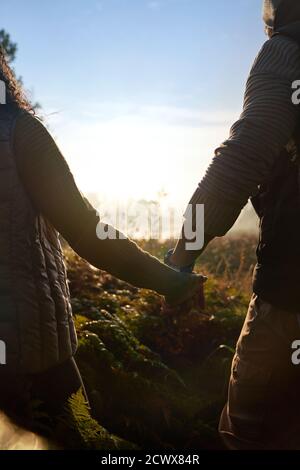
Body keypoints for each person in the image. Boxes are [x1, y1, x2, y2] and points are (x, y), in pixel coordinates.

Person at [0, 46, 204, 432]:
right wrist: (170, 282)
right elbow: (88, 233)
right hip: (35, 360)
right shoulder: (18, 134)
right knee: (82, 439)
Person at [165, 0, 300, 450]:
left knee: (250, 434)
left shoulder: (287, 48)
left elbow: (241, 161)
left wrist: (180, 260)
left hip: (290, 296)